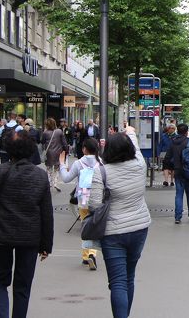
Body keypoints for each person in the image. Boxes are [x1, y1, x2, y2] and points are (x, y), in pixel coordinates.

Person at [0, 130, 53, 318]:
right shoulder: (39, 176)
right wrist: (46, 244)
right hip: (30, 237)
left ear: (7, 149)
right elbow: (46, 213)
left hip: (0, 234)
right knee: (23, 286)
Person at [88, 126, 150, 318]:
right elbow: (137, 149)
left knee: (117, 282)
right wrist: (130, 131)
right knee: (129, 277)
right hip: (139, 228)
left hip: (113, 232)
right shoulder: (140, 165)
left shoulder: (102, 172)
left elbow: (94, 205)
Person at [60, 138, 102, 270]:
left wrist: (62, 164)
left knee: (85, 226)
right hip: (97, 199)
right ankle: (92, 253)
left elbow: (66, 179)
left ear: (84, 149)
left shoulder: (79, 163)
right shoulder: (101, 163)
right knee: (95, 228)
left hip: (83, 199)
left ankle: (85, 256)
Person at [164, 123, 189, 223]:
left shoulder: (173, 142)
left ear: (177, 131)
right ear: (187, 132)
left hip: (178, 171)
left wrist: (170, 167)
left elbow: (167, 157)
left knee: (179, 194)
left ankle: (177, 217)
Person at [41, 117, 68, 192]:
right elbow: (64, 142)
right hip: (58, 152)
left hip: (48, 153)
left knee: (49, 168)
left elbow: (42, 142)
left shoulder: (45, 133)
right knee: (57, 168)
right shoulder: (59, 131)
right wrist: (66, 150)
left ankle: (49, 183)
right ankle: (56, 183)